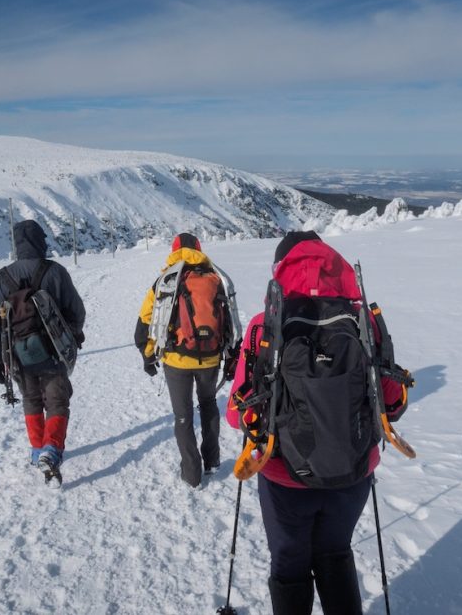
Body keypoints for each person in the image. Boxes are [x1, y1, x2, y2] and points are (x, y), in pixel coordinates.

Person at [227, 231, 408, 615]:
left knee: (290, 562)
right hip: (353, 469)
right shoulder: (362, 319)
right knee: (335, 551)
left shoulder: (266, 324)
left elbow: (236, 413)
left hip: (284, 473)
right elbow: (391, 401)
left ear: (280, 269)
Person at [134, 233, 240, 488]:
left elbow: (145, 322)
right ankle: (212, 461)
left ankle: (192, 474)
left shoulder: (167, 279)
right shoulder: (216, 278)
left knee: (183, 416)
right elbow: (231, 320)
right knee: (208, 404)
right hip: (210, 358)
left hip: (177, 359)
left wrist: (148, 355)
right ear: (199, 249)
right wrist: (231, 356)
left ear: (174, 251)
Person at [0, 220, 85, 475]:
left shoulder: (3, 277)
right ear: (40, 241)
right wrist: (72, 336)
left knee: (31, 399)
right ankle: (51, 450)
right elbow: (77, 311)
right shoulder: (55, 272)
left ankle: (36, 449)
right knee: (57, 401)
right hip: (53, 353)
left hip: (17, 355)